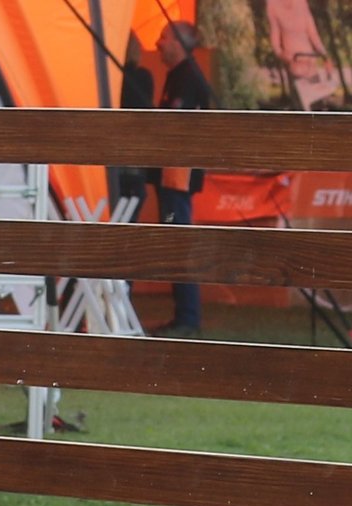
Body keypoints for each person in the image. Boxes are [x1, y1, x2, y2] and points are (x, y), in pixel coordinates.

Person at [148, 19, 214, 335]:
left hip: (179, 177)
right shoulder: (177, 76)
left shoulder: (189, 79)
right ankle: (183, 316)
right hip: (169, 176)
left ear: (179, 42)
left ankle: (188, 319)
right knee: (174, 242)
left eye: (163, 38)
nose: (158, 44)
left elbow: (179, 126)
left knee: (179, 242)